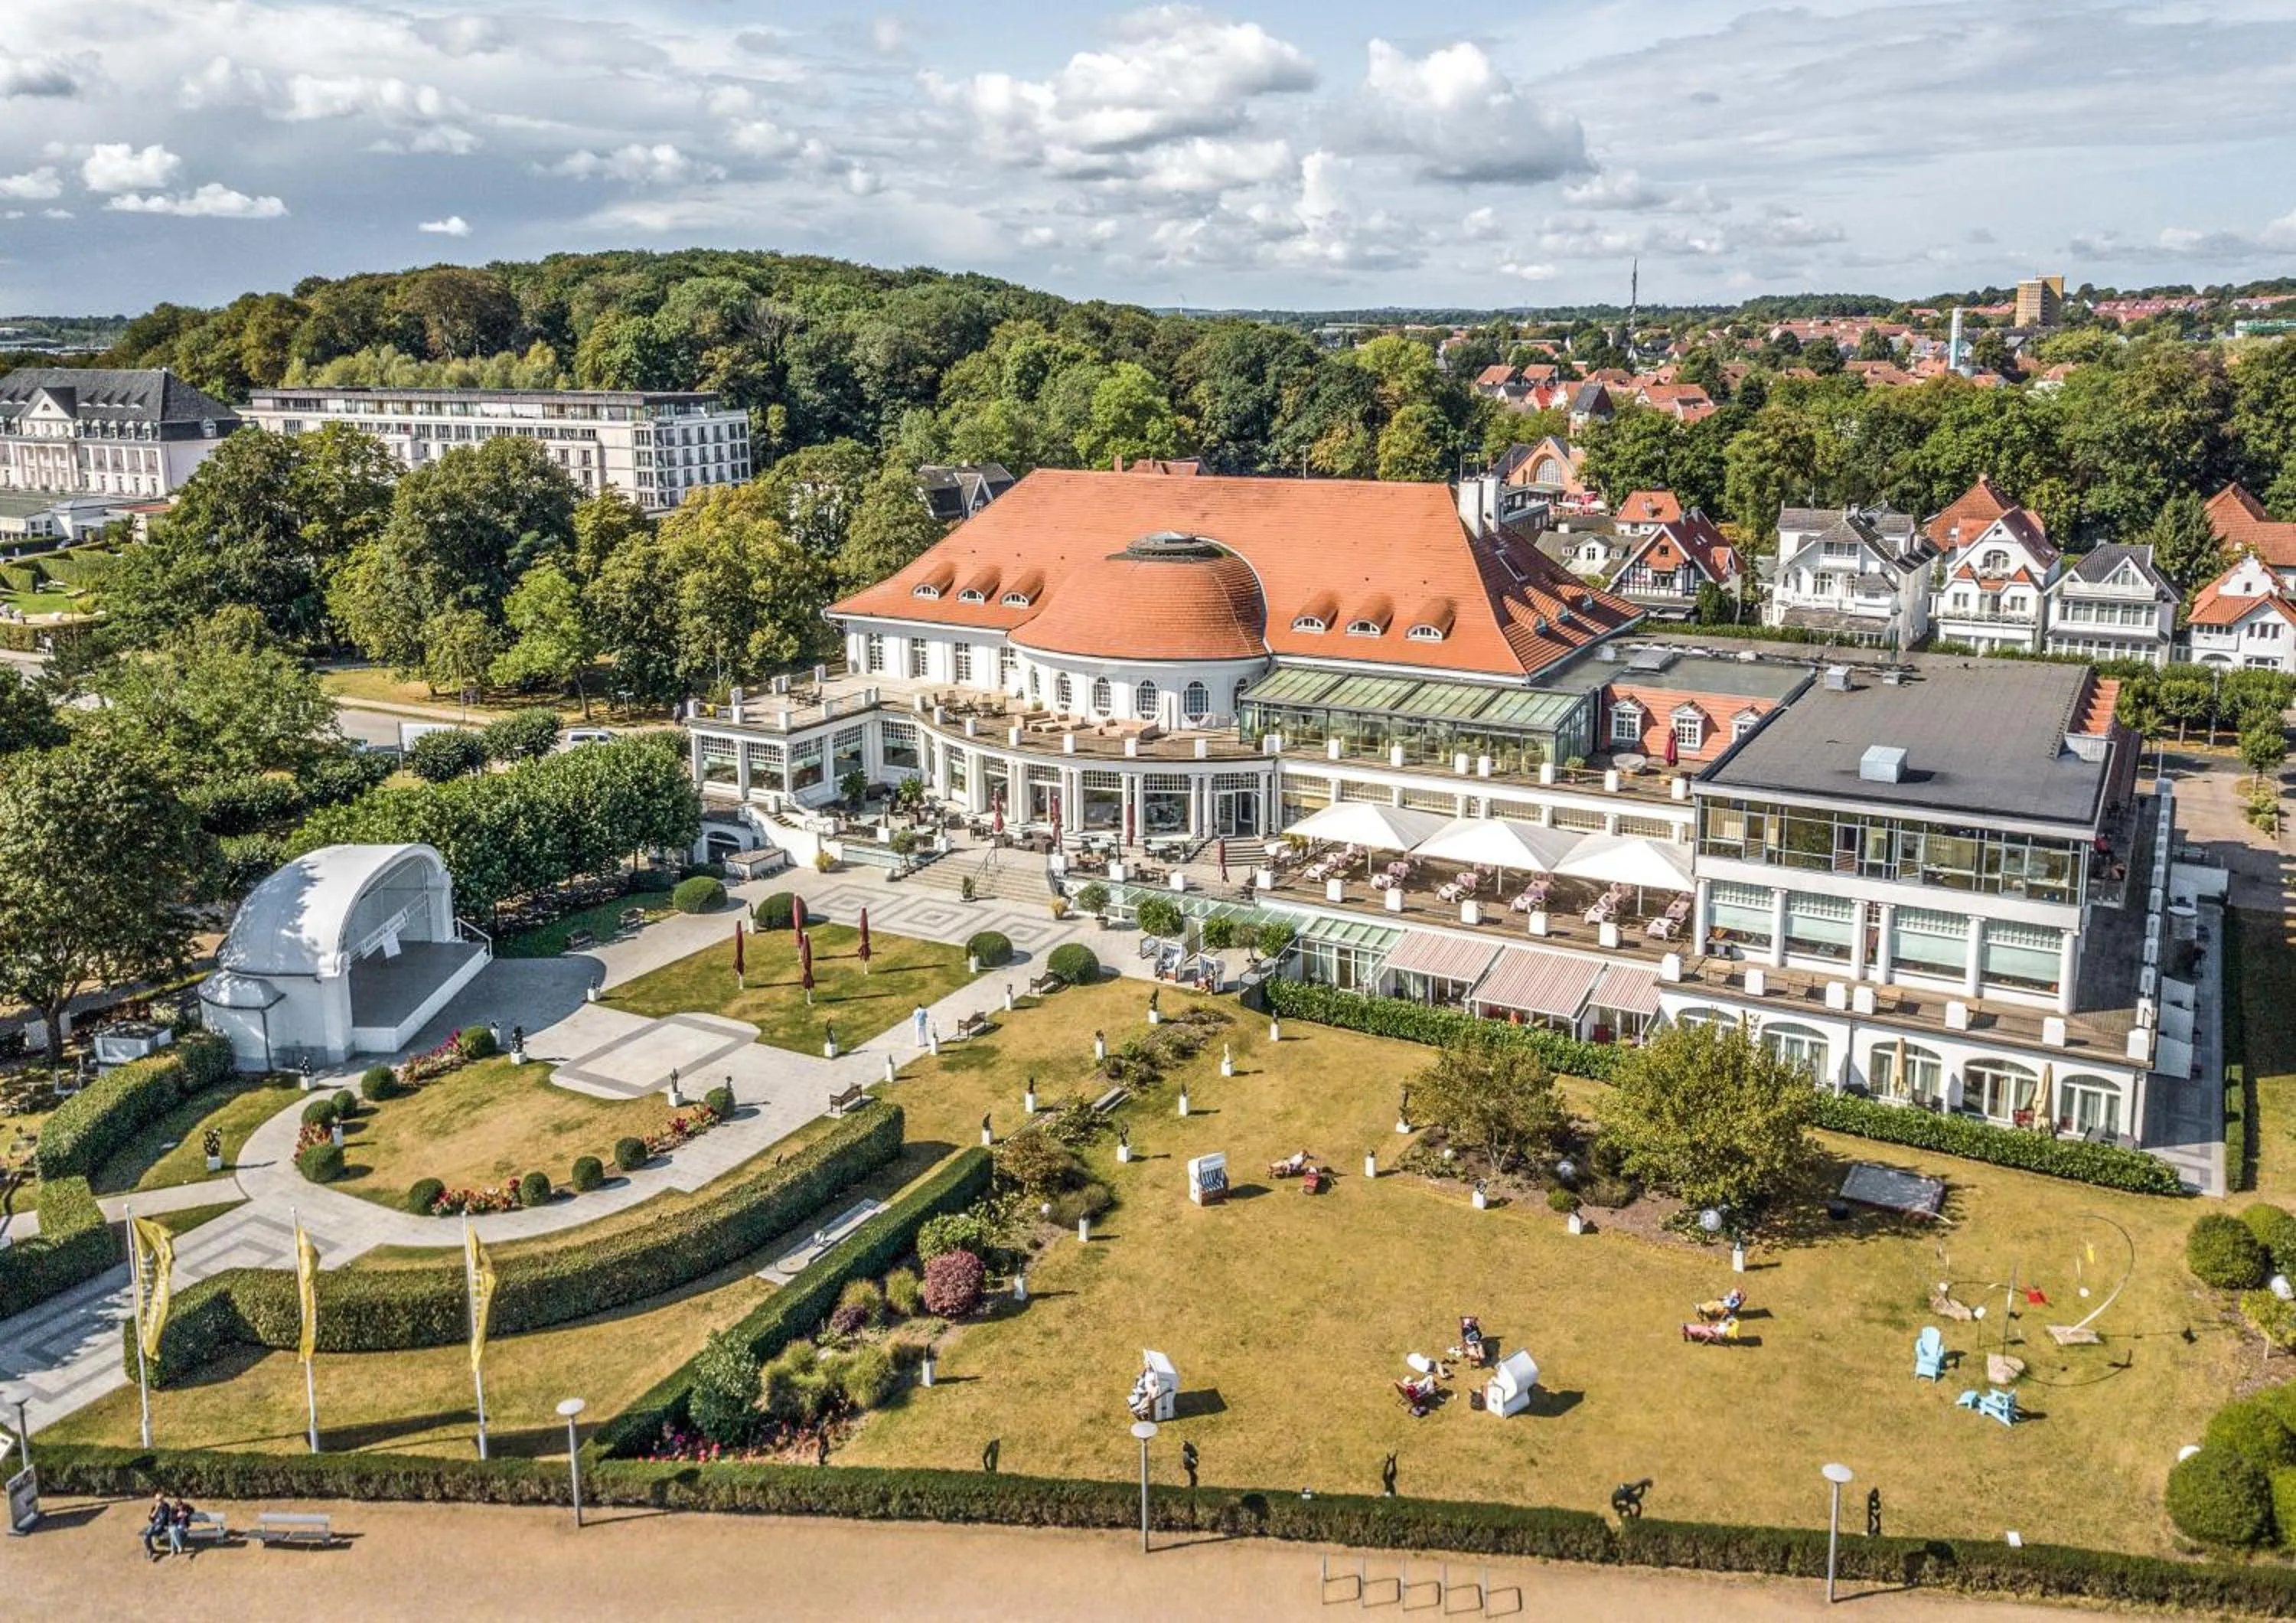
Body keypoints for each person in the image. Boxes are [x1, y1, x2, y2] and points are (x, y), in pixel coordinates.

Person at [141, 1494, 169, 1561]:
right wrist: (156, 1509)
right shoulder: (154, 1506)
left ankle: (150, 1550)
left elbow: (164, 1519)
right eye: (157, 1500)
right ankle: (150, 1550)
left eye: (160, 1500)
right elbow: (150, 1518)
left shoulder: (166, 1507)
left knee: (147, 1534)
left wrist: (161, 1508)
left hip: (161, 1526)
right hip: (154, 1525)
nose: (158, 1502)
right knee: (146, 1535)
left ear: (163, 1500)